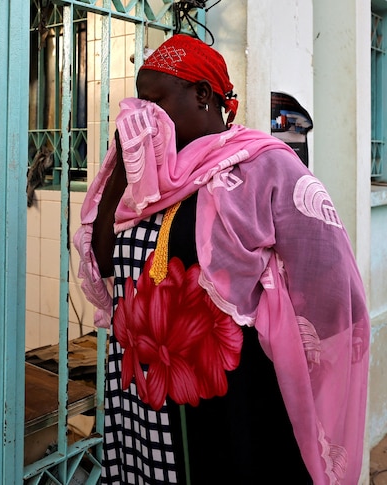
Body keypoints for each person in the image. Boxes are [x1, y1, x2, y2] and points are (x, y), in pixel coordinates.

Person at [74, 34, 369, 484]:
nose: (145, 117)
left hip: (225, 400)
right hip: (143, 398)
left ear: (203, 96)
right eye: (140, 103)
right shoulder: (142, 182)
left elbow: (328, 282)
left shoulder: (264, 168)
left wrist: (294, 353)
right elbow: (105, 266)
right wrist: (119, 165)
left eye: (157, 102)